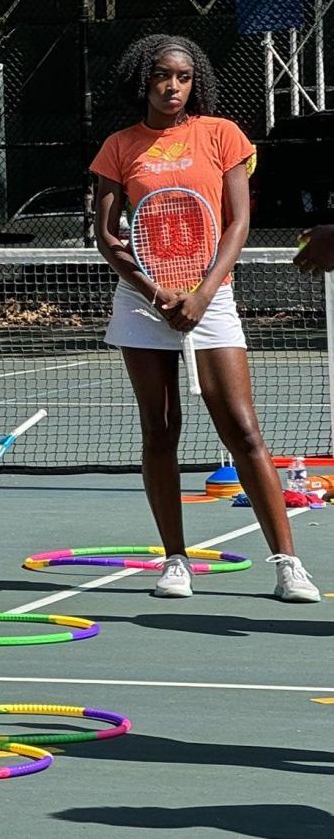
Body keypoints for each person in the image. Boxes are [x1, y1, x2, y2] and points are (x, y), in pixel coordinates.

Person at [91, 34, 319, 602]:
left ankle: (289, 564)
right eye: (163, 76)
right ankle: (175, 561)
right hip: (143, 302)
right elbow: (106, 234)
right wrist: (155, 290)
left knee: (243, 430)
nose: (173, 86)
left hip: (211, 297)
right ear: (143, 78)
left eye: (185, 77)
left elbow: (238, 223)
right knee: (160, 431)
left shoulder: (222, 136)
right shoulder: (119, 146)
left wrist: (199, 295)